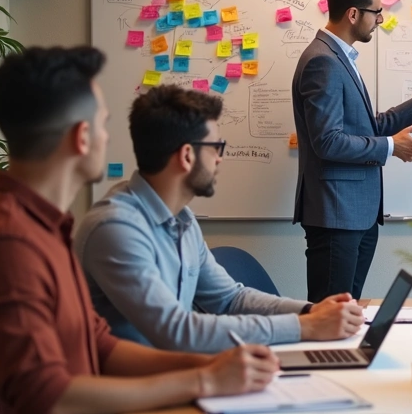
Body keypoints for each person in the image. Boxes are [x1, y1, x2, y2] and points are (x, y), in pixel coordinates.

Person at [0, 47, 277, 414]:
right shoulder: (7, 244)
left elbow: (101, 346)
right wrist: (203, 381)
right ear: (81, 137)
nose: (108, 138)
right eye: (103, 125)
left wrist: (210, 365)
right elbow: (52, 403)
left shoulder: (42, 226)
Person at [76, 85, 364, 354]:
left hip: (176, 376)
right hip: (134, 396)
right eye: (216, 148)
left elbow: (230, 300)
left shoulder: (182, 218)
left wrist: (310, 311)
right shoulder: (116, 229)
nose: (219, 159)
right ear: (187, 156)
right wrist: (306, 327)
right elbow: (175, 330)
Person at [292, 0, 412, 302]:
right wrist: (392, 147)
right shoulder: (323, 61)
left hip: (353, 214)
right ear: (353, 14)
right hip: (337, 216)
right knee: (331, 315)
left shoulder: (338, 57)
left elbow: (361, 127)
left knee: (346, 314)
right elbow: (328, 141)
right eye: (376, 12)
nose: (380, 19)